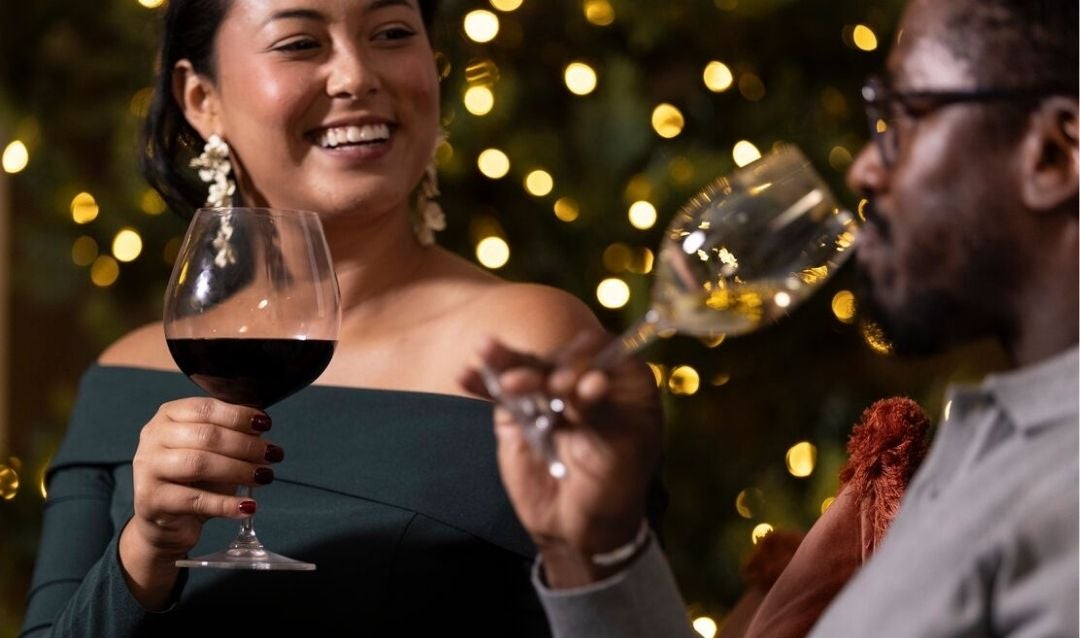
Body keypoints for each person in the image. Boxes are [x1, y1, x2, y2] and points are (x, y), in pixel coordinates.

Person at [464, 0, 1079, 635]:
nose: (864, 167)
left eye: (905, 115)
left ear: (1054, 155)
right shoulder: (990, 445)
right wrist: (600, 552)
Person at [20, 0, 606, 635]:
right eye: (300, 43)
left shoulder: (532, 343)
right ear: (201, 98)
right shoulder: (121, 379)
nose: (356, 76)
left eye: (391, 33)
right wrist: (144, 551)